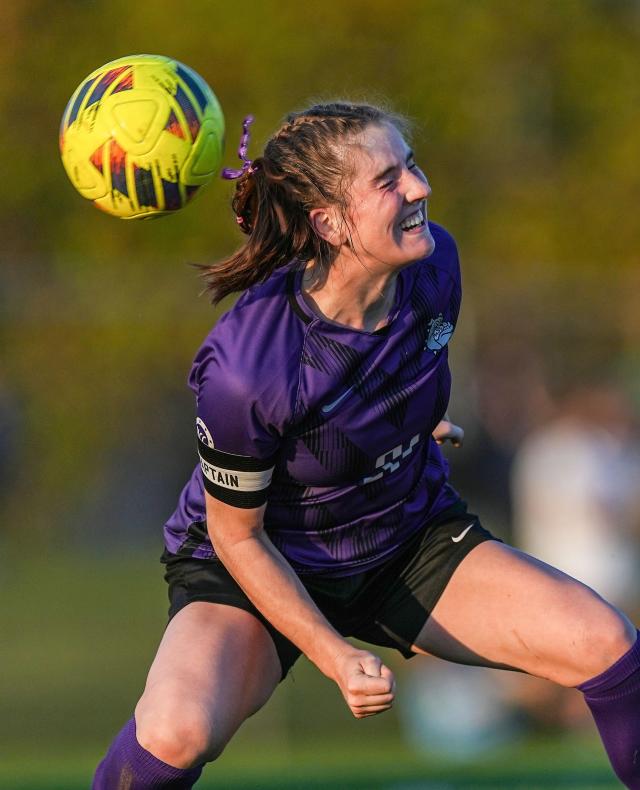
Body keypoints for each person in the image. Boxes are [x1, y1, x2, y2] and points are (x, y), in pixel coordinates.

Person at [93, 103, 640, 789]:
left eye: (410, 165)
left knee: (607, 645)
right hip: (259, 563)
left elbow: (375, 391)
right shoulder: (247, 367)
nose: (419, 187)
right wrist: (332, 655)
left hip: (402, 540)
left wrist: (404, 426)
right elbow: (238, 536)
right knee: (177, 730)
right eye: (389, 179)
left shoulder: (435, 268)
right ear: (328, 221)